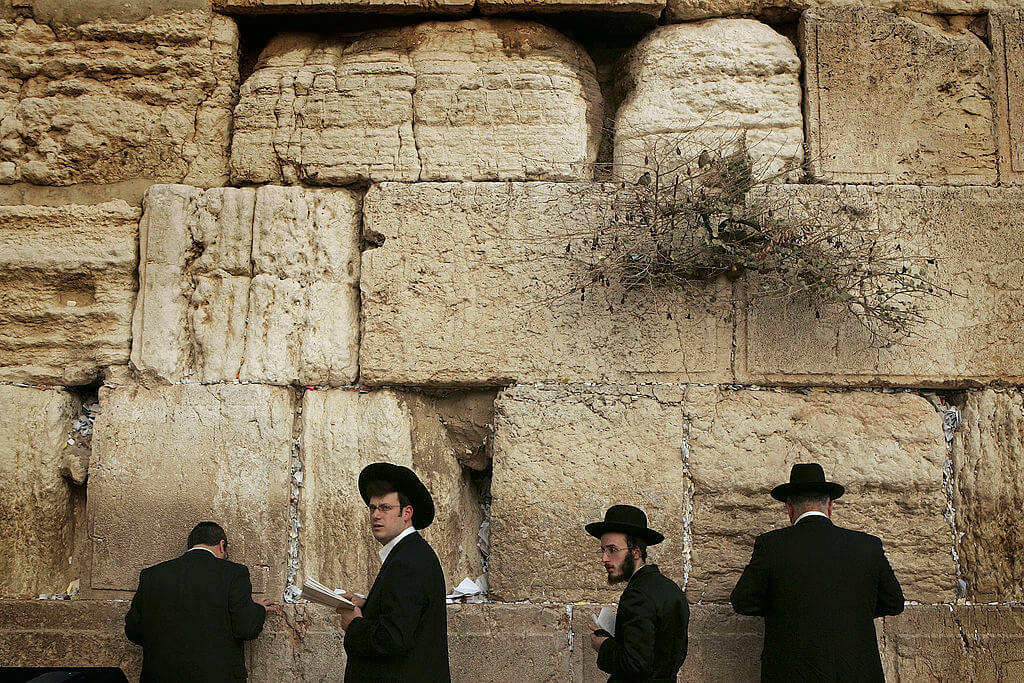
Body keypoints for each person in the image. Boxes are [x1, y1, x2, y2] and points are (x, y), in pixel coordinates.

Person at [731, 463, 905, 682]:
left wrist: (787, 607)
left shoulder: (772, 545)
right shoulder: (867, 546)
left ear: (789, 508)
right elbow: (894, 603)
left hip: (792, 673)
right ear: (830, 506)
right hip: (856, 671)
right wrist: (850, 611)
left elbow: (743, 601)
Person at [124, 521, 278, 682]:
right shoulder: (234, 573)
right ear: (221, 545)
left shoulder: (152, 575)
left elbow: (133, 630)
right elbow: (246, 629)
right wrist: (257, 609)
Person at [338, 462, 450, 682]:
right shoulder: (408, 554)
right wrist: (366, 605)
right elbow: (403, 616)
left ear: (407, 513)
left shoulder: (407, 561)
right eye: (372, 508)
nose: (376, 516)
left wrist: (355, 625)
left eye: (385, 508)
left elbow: (394, 637)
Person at [584, 505, 689, 682]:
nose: (604, 559)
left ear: (636, 552)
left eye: (613, 550)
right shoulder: (670, 588)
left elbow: (636, 665)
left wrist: (604, 646)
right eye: (603, 550)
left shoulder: (637, 595)